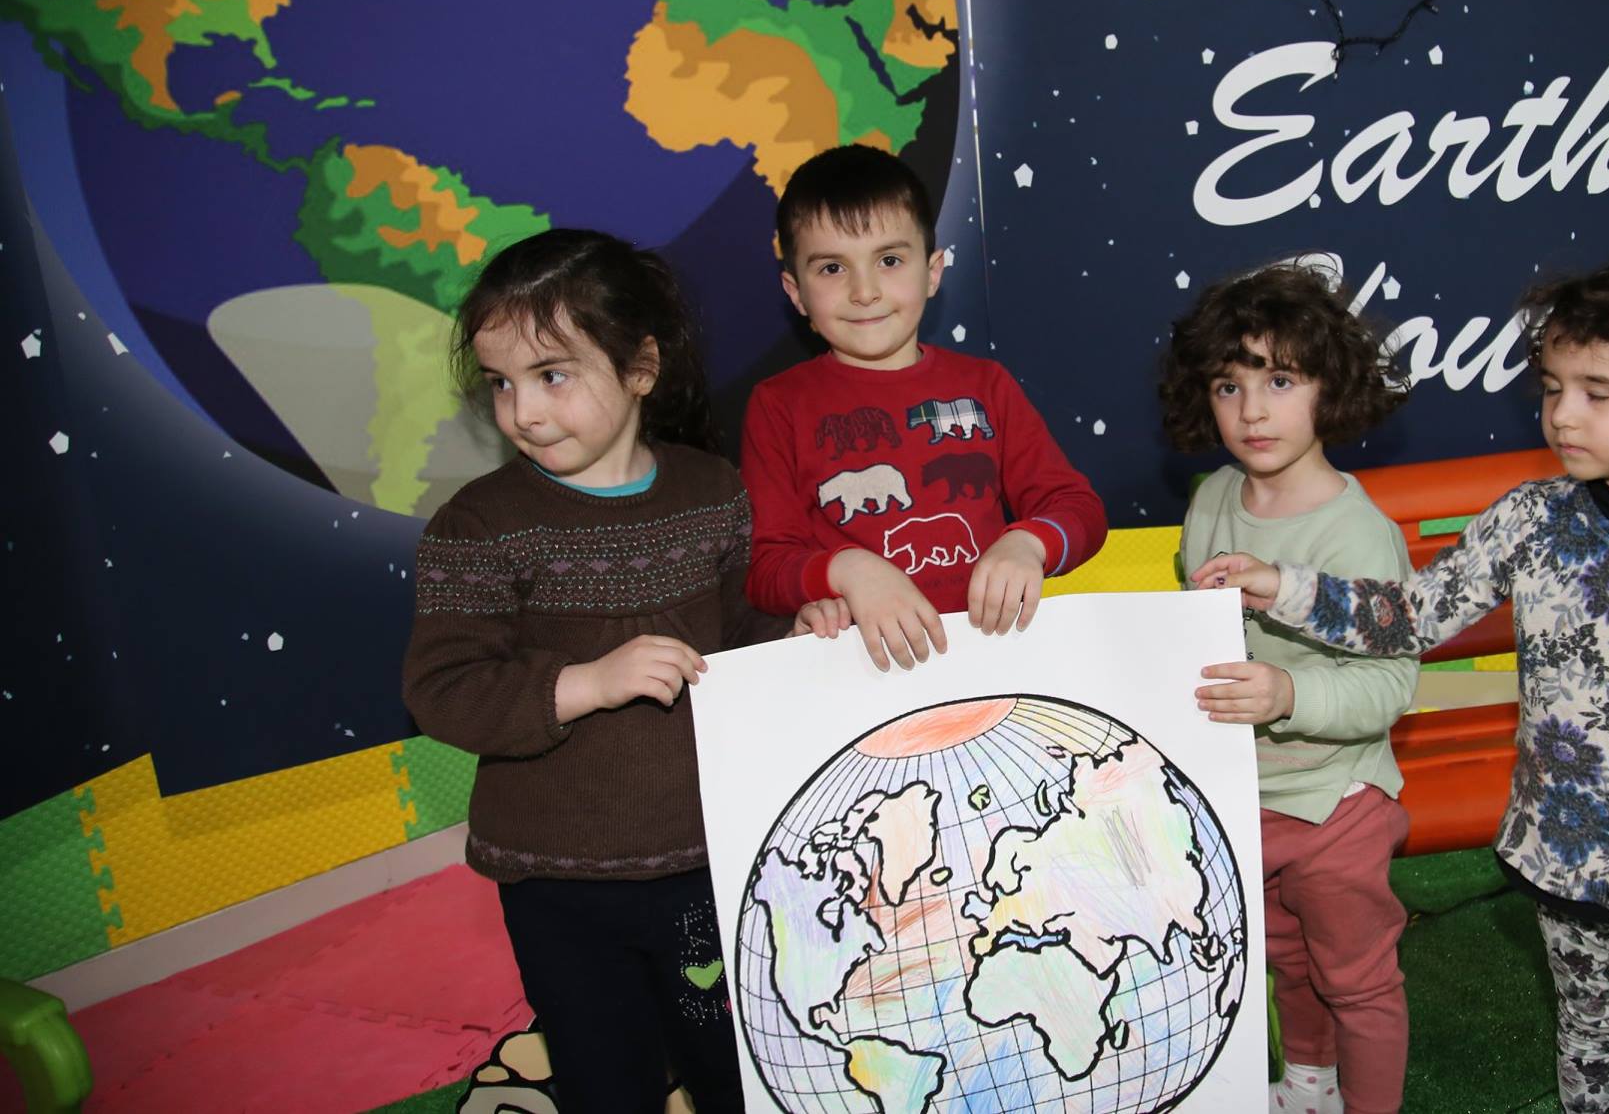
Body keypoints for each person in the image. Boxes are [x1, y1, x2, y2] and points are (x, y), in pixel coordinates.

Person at [1194, 253, 1609, 1114]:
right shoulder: (1529, 520)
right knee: (1587, 1039)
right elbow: (1412, 615)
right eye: (1553, 387)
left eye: (1598, 392)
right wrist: (1283, 585)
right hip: (1564, 856)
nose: (1562, 413)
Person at [402, 229, 797, 1114]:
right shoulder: (479, 524)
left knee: (735, 1071)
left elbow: (745, 630)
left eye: (552, 375)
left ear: (641, 367)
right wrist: (586, 682)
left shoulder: (712, 491)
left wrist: (802, 626)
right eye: (501, 383)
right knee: (605, 1081)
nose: (523, 411)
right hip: (557, 884)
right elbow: (442, 688)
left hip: (704, 866)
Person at [1161, 264, 1417, 1114]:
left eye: (1279, 380)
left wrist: (1287, 693)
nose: (1252, 411)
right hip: (1248, 798)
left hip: (1337, 801)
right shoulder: (1212, 497)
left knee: (1359, 981)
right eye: (1228, 385)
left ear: (1329, 386)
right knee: (1287, 961)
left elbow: (1391, 683)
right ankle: (1309, 1085)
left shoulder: (1356, 531)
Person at [741, 143, 1107, 669]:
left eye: (889, 260)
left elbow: (1080, 509)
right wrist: (847, 571)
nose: (864, 291)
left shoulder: (987, 385)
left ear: (932, 272)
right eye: (832, 268)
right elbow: (766, 569)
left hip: (993, 655)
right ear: (795, 292)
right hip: (864, 670)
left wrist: (1029, 544)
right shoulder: (777, 405)